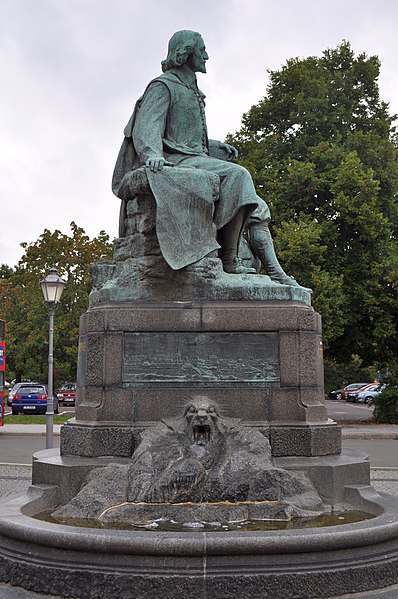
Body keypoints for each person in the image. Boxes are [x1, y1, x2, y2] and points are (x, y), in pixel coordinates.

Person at [112, 29, 297, 284]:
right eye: (202, 50)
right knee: (239, 175)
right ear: (186, 54)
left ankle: (243, 261)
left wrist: (214, 145)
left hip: (193, 158)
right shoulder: (163, 85)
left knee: (248, 191)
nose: (206, 56)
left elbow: (185, 137)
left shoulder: (192, 89)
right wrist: (152, 155)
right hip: (175, 161)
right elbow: (147, 128)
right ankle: (230, 260)